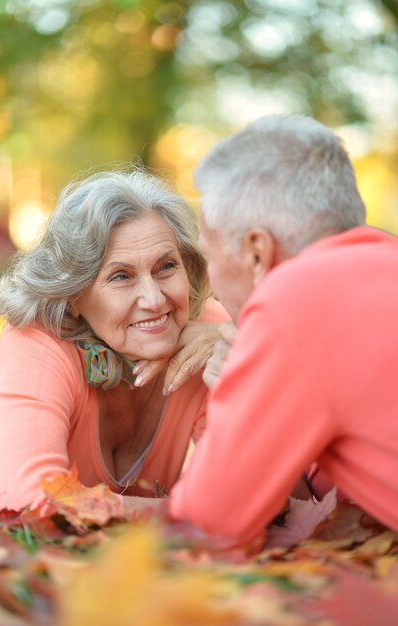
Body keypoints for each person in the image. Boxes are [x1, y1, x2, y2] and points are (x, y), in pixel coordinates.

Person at [169, 114, 398, 545]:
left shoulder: (295, 296)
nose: (213, 291)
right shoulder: (384, 259)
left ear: (257, 253)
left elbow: (205, 523)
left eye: (208, 258)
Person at [0, 170, 229, 511]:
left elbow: (257, 498)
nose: (154, 299)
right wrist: (188, 513)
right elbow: (29, 504)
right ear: (73, 296)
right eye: (121, 276)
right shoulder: (35, 343)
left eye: (166, 266)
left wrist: (249, 358)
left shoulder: (210, 334)